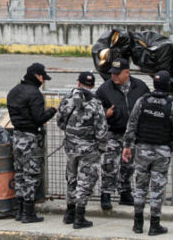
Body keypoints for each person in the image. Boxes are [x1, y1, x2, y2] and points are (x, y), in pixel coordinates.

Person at [122, 70, 173, 236]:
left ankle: (137, 224)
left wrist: (127, 145)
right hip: (162, 151)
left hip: (142, 149)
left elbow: (132, 124)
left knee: (140, 186)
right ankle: (154, 225)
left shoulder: (142, 101)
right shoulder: (172, 106)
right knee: (157, 188)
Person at [95, 57, 150, 210]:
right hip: (113, 133)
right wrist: (105, 113)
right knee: (110, 164)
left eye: (118, 74)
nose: (114, 76)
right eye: (112, 73)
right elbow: (94, 110)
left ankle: (125, 192)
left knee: (128, 165)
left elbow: (148, 105)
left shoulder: (140, 87)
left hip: (132, 135)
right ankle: (106, 193)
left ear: (127, 72)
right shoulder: (105, 89)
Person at [7, 62, 57, 223]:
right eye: (43, 78)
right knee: (31, 175)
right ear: (37, 76)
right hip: (30, 138)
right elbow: (39, 119)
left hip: (17, 137)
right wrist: (53, 110)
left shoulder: (13, 91)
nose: (43, 82)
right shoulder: (34, 94)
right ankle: (28, 213)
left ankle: (20, 211)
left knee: (20, 174)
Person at [56, 71, 108, 229]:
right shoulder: (96, 103)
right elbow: (101, 129)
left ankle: (69, 212)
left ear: (78, 83)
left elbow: (60, 121)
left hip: (71, 147)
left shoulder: (67, 99)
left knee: (71, 178)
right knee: (85, 181)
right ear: (92, 86)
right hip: (89, 148)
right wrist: (101, 146)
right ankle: (80, 216)